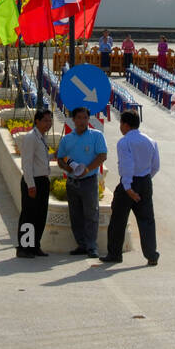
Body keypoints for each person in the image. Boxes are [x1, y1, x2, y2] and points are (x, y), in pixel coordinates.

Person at [100, 110, 160, 266]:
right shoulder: (150, 141)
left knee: (118, 220)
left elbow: (127, 166)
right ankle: (151, 255)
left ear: (125, 125)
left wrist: (128, 187)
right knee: (147, 220)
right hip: (145, 182)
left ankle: (114, 253)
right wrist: (145, 179)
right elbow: (155, 166)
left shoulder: (124, 142)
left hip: (129, 183)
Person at [56, 106, 107, 258]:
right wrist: (67, 168)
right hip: (72, 181)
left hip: (89, 180)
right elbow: (60, 158)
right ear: (73, 119)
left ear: (88, 119)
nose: (82, 121)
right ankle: (81, 244)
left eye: (85, 118)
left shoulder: (96, 136)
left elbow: (102, 155)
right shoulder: (67, 139)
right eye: (79, 118)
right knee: (75, 214)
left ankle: (92, 246)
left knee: (91, 214)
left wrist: (87, 169)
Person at [16, 109, 53, 258]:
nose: (48, 124)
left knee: (40, 215)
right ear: (37, 121)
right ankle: (24, 247)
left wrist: (53, 156)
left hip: (43, 180)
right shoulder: (31, 137)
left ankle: (35, 245)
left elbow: (40, 160)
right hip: (33, 181)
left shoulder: (41, 138)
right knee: (29, 216)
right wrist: (30, 184)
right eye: (45, 120)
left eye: (50, 121)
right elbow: (27, 163)